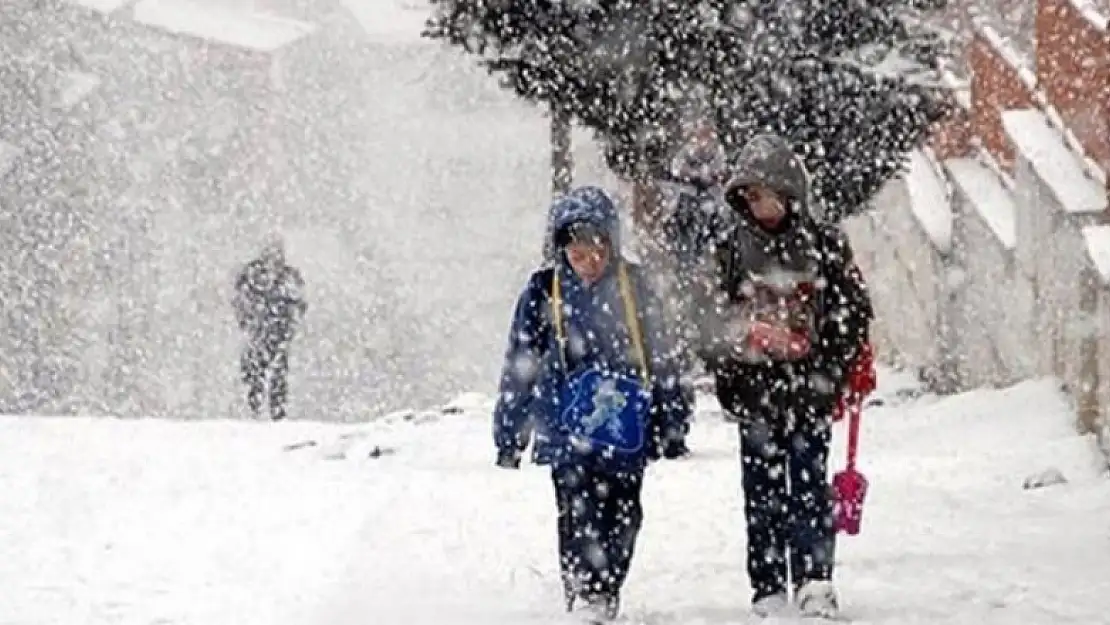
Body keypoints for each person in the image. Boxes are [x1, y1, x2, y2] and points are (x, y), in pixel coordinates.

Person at [692, 134, 873, 618]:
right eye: (749, 197)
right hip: (755, 395)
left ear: (789, 192)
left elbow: (852, 312)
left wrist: (828, 366)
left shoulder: (825, 245)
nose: (758, 206)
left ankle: (816, 577)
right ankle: (768, 582)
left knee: (810, 485)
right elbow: (706, 318)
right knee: (762, 491)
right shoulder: (729, 251)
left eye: (764, 194)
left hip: (809, 392)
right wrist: (736, 352)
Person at [492, 185, 691, 623]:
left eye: (596, 253)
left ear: (611, 245)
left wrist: (673, 417)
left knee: (624, 513)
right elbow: (520, 361)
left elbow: (664, 355)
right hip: (566, 426)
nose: (588, 264)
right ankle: (585, 590)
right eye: (577, 255)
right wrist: (510, 431)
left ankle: (606, 587)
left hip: (626, 427)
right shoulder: (545, 290)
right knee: (576, 510)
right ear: (562, 251)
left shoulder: (635, 288)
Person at [232, 235, 308, 421]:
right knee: (261, 371)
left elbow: (300, 303)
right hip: (265, 330)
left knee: (272, 372)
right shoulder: (259, 274)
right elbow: (240, 300)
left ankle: (271, 411)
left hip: (273, 330)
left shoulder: (285, 276)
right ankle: (260, 409)